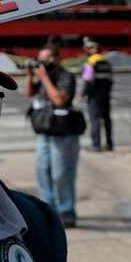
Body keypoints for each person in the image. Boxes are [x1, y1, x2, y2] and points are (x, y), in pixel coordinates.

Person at [25, 44, 80, 228]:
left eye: (47, 59)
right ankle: (48, 210)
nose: (43, 63)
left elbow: (58, 99)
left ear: (57, 59)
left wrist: (44, 78)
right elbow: (28, 93)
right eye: (41, 59)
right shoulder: (42, 76)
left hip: (63, 132)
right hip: (44, 130)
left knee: (61, 173)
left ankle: (66, 211)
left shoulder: (66, 76)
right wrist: (30, 75)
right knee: (43, 171)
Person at [81, 40, 114, 152]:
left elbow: (87, 80)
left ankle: (96, 145)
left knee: (95, 120)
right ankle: (109, 144)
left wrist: (83, 94)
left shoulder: (90, 62)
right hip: (106, 95)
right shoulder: (106, 62)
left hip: (94, 96)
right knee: (107, 120)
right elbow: (110, 80)